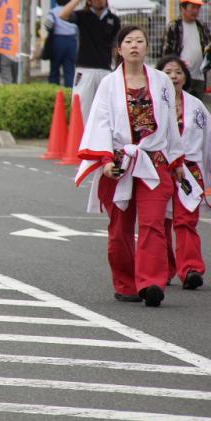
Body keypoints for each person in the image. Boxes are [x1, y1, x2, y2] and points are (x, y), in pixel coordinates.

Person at [75, 26, 184, 307]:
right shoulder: (109, 84)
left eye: (140, 41)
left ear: (147, 48)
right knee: (120, 227)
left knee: (153, 223)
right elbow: (99, 123)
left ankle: (150, 283)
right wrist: (106, 161)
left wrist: (177, 160)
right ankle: (126, 282)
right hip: (119, 163)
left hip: (154, 162)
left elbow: (171, 124)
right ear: (119, 49)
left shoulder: (161, 82)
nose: (134, 45)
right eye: (128, 41)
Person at [156, 55, 207, 290]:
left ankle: (191, 269)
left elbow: (207, 141)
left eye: (178, 72)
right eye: (168, 72)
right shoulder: (153, 104)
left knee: (186, 220)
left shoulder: (196, 106)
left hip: (190, 170)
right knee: (159, 222)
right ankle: (163, 268)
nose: (174, 76)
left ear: (185, 77)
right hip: (160, 167)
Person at [59, 0, 121, 121]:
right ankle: (81, 140)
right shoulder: (83, 16)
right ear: (89, 0)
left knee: (106, 109)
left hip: (105, 69)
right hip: (84, 69)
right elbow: (62, 15)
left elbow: (116, 46)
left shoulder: (113, 19)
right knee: (81, 107)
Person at [162, 0, 211, 101]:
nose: (196, 11)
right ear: (183, 8)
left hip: (199, 77)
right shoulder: (174, 26)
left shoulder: (201, 27)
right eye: (192, 7)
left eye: (198, 8)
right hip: (180, 77)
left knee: (197, 108)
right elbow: (167, 53)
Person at [44, 0, 78, 87]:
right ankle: (70, 93)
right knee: (69, 69)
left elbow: (47, 26)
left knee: (54, 68)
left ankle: (54, 92)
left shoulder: (53, 12)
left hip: (58, 41)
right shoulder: (73, 12)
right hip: (72, 41)